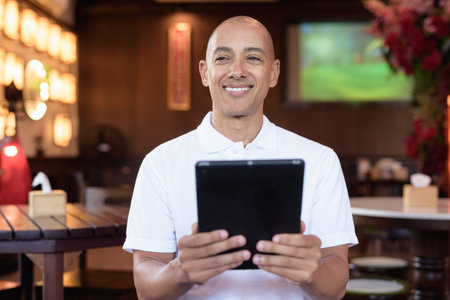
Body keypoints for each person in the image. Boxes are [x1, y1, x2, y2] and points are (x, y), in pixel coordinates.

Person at [123, 16, 358, 300]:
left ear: (273, 73)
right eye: (223, 58)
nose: (237, 71)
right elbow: (145, 288)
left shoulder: (321, 160)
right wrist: (180, 271)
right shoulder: (159, 163)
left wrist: (311, 273)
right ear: (204, 72)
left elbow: (336, 286)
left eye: (253, 58)